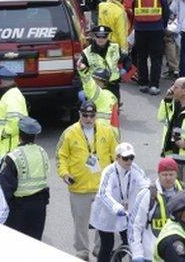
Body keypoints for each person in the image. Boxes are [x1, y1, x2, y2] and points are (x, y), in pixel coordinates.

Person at [57, 101, 119, 260]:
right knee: (81, 223)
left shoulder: (107, 131)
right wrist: (65, 174)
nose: (89, 119)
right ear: (80, 114)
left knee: (103, 221)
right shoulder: (70, 133)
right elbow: (61, 157)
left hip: (102, 187)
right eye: (85, 115)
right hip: (79, 187)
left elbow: (116, 156)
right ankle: (82, 252)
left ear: (96, 115)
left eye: (92, 115)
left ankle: (100, 248)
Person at [90, 142, 146, 262]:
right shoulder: (109, 172)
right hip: (106, 213)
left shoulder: (135, 169)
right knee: (107, 245)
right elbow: (103, 193)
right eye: (125, 158)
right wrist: (116, 208)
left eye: (131, 158)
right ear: (117, 158)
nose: (129, 161)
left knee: (130, 242)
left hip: (126, 213)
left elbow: (146, 186)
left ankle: (115, 258)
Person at [0, 116, 50, 239]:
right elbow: (46, 173)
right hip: (40, 206)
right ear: (35, 136)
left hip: (19, 208)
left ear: (20, 135)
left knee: (18, 245)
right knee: (35, 242)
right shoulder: (42, 152)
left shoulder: (13, 157)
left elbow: (5, 187)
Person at [134, 0, 171, 95]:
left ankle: (143, 83)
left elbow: (134, 8)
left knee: (141, 56)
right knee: (156, 57)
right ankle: (154, 85)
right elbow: (166, 11)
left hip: (140, 29)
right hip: (156, 29)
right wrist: (164, 25)